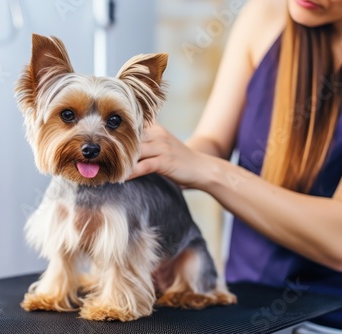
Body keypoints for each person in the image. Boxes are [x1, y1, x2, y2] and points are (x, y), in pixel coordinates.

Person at [130, 0, 342, 331]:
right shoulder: (263, 16)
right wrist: (163, 161)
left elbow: (338, 239)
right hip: (241, 305)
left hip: (329, 317)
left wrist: (205, 170)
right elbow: (212, 143)